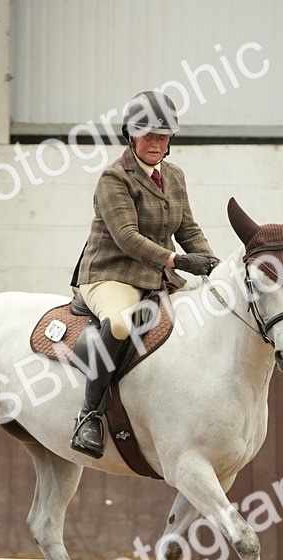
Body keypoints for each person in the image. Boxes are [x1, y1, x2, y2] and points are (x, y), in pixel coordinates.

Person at [69, 90, 219, 458]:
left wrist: (214, 265)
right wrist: (180, 262)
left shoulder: (175, 176)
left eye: (162, 136)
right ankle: (89, 415)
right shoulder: (113, 178)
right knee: (120, 325)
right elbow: (127, 238)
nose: (155, 142)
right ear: (131, 136)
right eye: (147, 135)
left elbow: (188, 229)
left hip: (156, 278)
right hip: (110, 274)